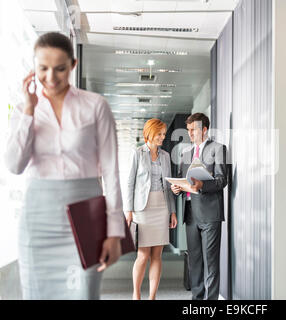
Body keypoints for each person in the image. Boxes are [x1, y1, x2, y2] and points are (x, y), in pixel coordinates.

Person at [3, 32, 125, 300]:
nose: (50, 77)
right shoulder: (26, 109)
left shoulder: (95, 106)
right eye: (42, 68)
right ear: (33, 67)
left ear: (73, 65)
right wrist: (28, 112)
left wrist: (114, 232)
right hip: (38, 216)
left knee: (84, 293)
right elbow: (14, 165)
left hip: (85, 212)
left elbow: (111, 170)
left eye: (59, 68)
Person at [171, 113, 227, 300]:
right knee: (194, 261)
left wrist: (203, 185)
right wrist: (176, 188)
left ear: (204, 130)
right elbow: (183, 179)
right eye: (188, 130)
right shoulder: (186, 153)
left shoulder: (217, 149)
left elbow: (221, 180)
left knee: (210, 261)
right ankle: (197, 299)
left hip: (210, 213)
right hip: (190, 213)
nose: (190, 134)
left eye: (193, 130)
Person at [124, 118, 177, 300]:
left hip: (162, 207)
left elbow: (168, 185)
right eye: (160, 134)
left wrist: (172, 211)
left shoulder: (166, 156)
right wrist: (128, 210)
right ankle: (136, 294)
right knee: (143, 255)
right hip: (142, 208)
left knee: (157, 255)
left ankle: (152, 296)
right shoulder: (137, 153)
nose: (163, 137)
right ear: (150, 133)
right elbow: (130, 182)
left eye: (164, 134)